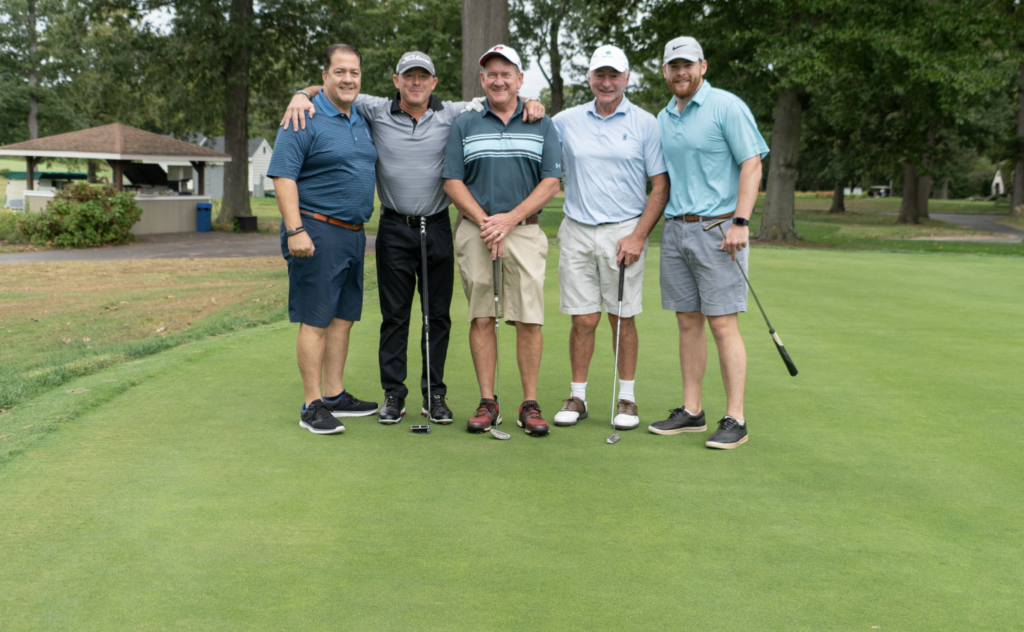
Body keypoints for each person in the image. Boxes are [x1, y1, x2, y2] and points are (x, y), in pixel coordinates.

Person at [280, 53, 545, 426]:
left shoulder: (454, 112)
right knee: (395, 316)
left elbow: (502, 98)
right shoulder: (374, 109)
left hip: (436, 226)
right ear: (396, 80)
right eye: (409, 77)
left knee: (437, 316)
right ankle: (394, 395)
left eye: (423, 77)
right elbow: (332, 87)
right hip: (393, 227)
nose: (416, 83)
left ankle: (435, 395)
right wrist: (300, 94)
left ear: (434, 82)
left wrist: (533, 100)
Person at [647, 36, 769, 449]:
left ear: (703, 66)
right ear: (665, 71)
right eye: (673, 66)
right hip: (677, 228)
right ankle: (692, 410)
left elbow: (752, 163)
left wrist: (741, 221)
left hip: (720, 229)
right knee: (687, 322)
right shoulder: (664, 116)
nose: (681, 72)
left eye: (687, 65)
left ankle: (736, 418)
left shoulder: (726, 106)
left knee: (722, 323)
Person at [442, 45, 562, 436]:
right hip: (475, 230)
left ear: (519, 79)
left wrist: (508, 220)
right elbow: (452, 180)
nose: (498, 80)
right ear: (482, 80)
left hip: (524, 230)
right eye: (491, 74)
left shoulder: (541, 122)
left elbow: (551, 182)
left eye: (506, 73)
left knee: (528, 317)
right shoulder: (466, 122)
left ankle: (529, 403)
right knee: (481, 315)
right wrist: (485, 221)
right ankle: (488, 401)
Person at [549, 45, 669, 431]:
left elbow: (659, 186)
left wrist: (638, 235)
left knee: (622, 318)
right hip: (577, 230)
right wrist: (531, 106)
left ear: (627, 79)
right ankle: (578, 397)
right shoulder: (564, 121)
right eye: (599, 75)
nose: (606, 82)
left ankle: (627, 398)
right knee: (583, 319)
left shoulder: (645, 123)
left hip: (624, 232)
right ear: (589, 78)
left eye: (613, 75)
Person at [267, 43, 380, 435]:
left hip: (353, 233)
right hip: (315, 229)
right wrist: (295, 229)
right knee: (316, 319)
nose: (348, 79)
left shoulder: (362, 117)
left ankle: (334, 394)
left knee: (344, 317)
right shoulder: (304, 117)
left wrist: (303, 90)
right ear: (324, 77)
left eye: (354, 72)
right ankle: (312, 404)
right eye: (339, 72)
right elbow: (283, 175)